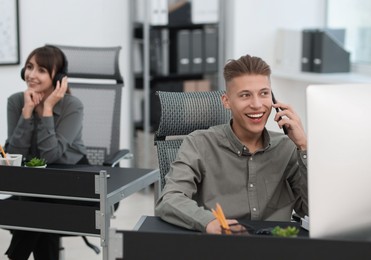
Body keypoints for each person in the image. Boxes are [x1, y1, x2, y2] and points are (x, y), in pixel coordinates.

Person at [155, 54, 308, 234]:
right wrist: (209, 223)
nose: (257, 104)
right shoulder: (199, 143)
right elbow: (170, 198)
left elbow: (310, 210)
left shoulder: (287, 148)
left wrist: (304, 147)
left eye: (264, 93)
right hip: (220, 247)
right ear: (226, 101)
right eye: (245, 95)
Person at [4, 45, 88, 259]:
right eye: (29, 67)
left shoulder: (73, 106)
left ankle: (16, 255)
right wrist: (27, 112)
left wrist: (48, 109)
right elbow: (15, 155)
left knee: (38, 206)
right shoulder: (16, 102)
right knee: (40, 205)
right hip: (37, 185)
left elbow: (50, 155)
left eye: (41, 70)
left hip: (75, 181)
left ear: (58, 76)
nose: (31, 75)